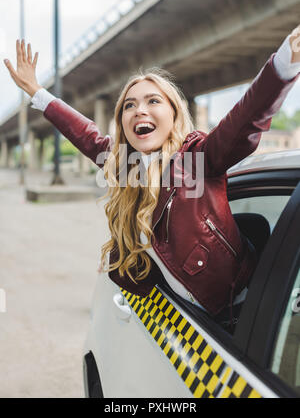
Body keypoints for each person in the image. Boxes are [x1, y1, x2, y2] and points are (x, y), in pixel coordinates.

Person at [3, 27, 300, 332]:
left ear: (174, 113)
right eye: (129, 105)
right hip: (179, 323)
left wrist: (283, 64)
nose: (139, 110)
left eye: (152, 101)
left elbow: (244, 120)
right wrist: (36, 92)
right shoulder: (127, 166)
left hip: (237, 320)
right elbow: (87, 136)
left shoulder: (196, 160)